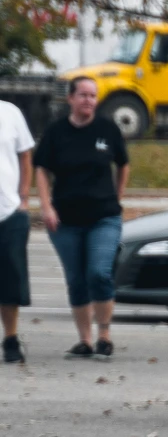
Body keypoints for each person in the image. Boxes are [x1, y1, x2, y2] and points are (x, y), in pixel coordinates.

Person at [33, 76, 129, 358]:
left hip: (104, 216)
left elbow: (123, 164)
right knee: (76, 279)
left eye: (93, 96)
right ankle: (85, 340)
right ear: (71, 99)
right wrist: (46, 205)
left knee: (99, 273)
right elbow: (41, 168)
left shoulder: (107, 129)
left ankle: (105, 334)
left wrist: (118, 196)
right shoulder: (56, 132)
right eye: (83, 95)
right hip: (66, 221)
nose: (88, 101)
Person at [0, 96, 35, 364]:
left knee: (10, 281)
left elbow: (25, 155)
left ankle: (10, 338)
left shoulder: (10, 112)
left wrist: (23, 197)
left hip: (8, 211)